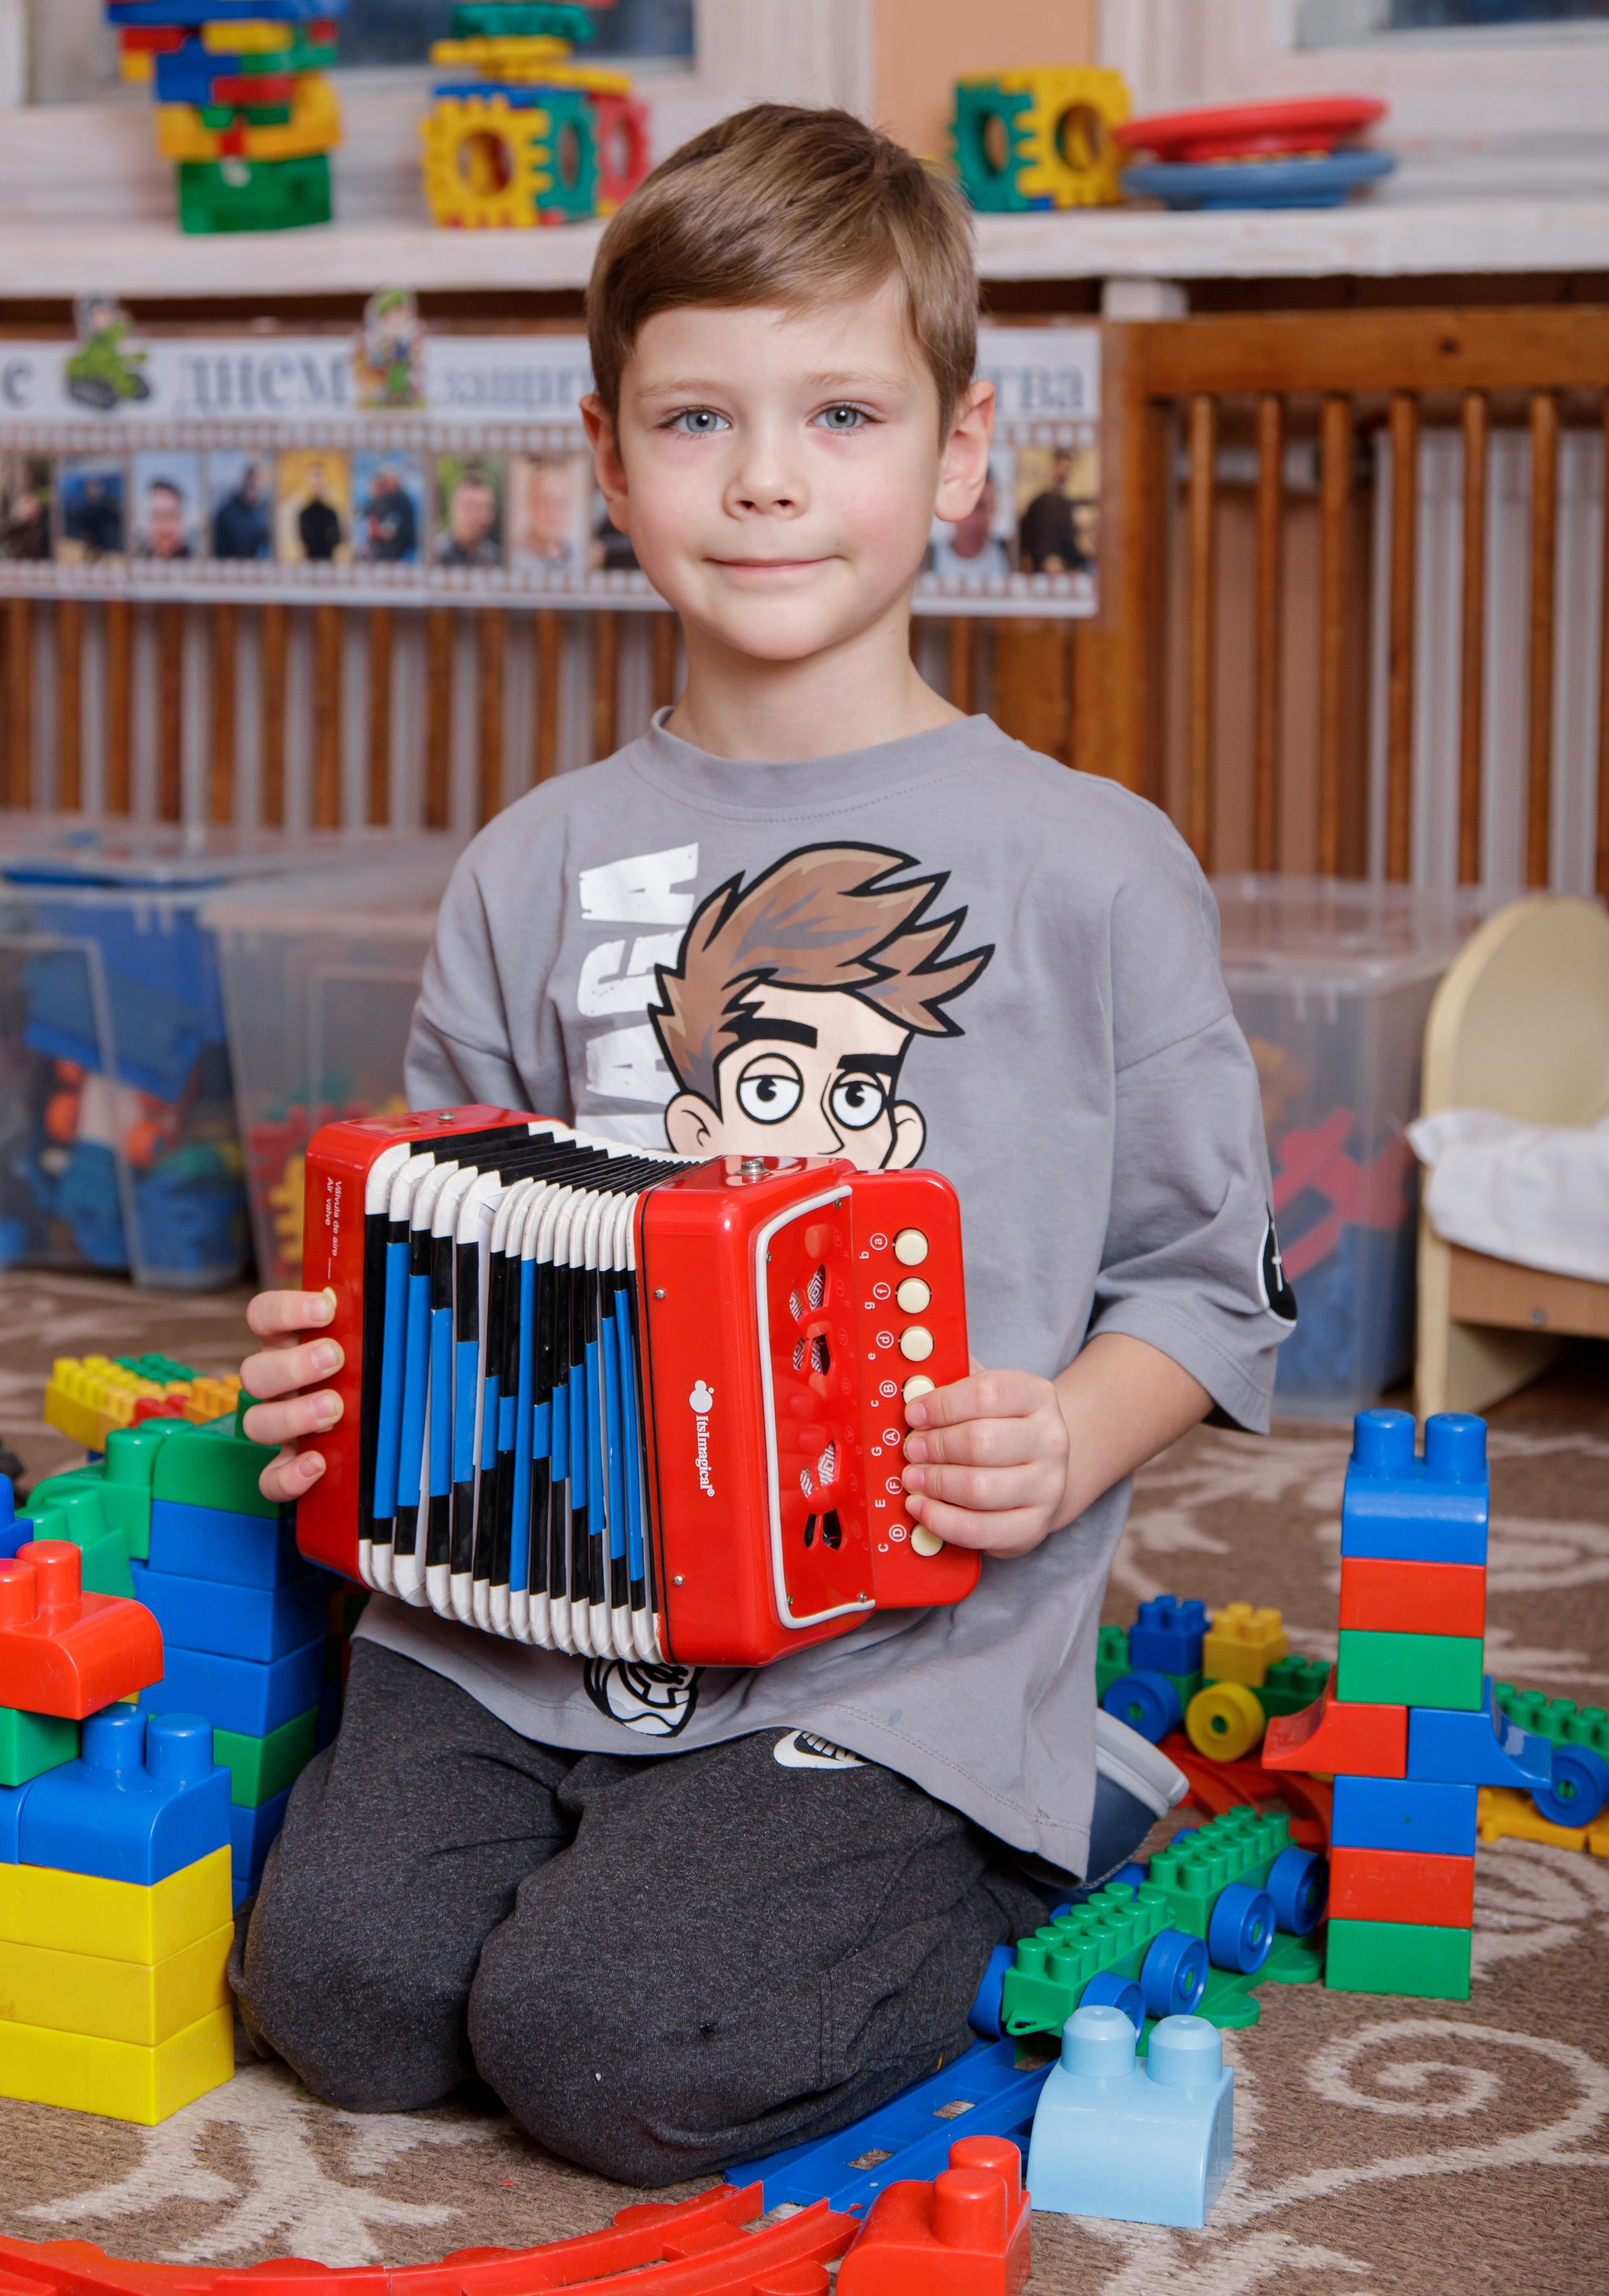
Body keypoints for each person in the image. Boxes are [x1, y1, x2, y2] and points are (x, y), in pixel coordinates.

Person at [232, 105, 1289, 2186]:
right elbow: (433, 1228)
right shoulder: (531, 862)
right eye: (699, 417)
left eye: (844, 412)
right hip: (525, 1619)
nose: (772, 477)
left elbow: (1207, 1274)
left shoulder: (1096, 868)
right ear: (608, 462)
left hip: (899, 1648)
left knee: (606, 2051)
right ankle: (672, 1847)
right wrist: (328, 1373)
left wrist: (1074, 1434)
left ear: (963, 457)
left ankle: (1025, 1820)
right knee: (342, 2003)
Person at [211, 463, 272, 562]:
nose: (254, 487)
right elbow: (218, 551)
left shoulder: (262, 513)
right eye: (251, 482)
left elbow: (265, 545)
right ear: (244, 482)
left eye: (257, 484)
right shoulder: (226, 513)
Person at [360, 462, 418, 562]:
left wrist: (381, 531)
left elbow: (393, 529)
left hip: (400, 549)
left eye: (390, 480)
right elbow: (365, 520)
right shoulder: (378, 500)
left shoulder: (403, 500)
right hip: (378, 550)